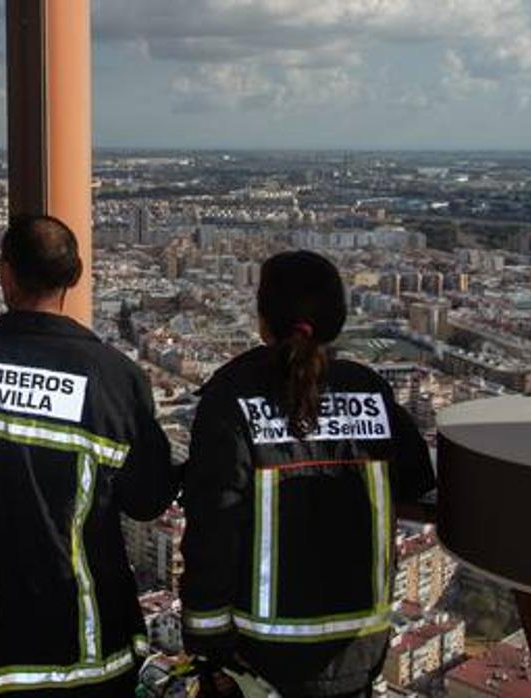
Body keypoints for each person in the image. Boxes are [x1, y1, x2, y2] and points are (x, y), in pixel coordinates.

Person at [0, 214, 176, 695]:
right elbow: (147, 499)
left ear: (4, 273)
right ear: (76, 275)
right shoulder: (114, 379)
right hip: (78, 646)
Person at [180, 250, 436, 697]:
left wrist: (206, 643)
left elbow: (213, 525)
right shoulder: (370, 391)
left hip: (258, 656)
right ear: (337, 320)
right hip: (358, 649)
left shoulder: (231, 399)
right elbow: (417, 481)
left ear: (263, 320)